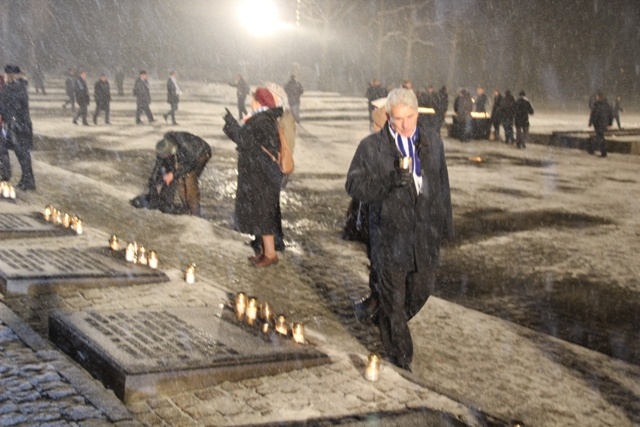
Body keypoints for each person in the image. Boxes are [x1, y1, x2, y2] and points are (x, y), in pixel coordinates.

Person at [346, 88, 453, 371]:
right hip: (389, 234)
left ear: (417, 113)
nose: (405, 124)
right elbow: (353, 185)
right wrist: (388, 182)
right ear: (388, 117)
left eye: (410, 117)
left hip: (424, 235)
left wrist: (445, 226)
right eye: (397, 119)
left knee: (421, 291)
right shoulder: (371, 147)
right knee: (395, 299)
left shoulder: (432, 141)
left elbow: (442, 184)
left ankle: (384, 317)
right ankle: (401, 356)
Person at [223, 87, 284, 267]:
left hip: (262, 174)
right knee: (261, 213)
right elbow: (248, 141)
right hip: (258, 173)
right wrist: (234, 127)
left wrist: (232, 126)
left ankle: (270, 254)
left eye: (254, 99)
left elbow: (247, 141)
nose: (251, 101)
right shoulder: (262, 119)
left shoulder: (263, 120)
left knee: (265, 214)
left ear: (260, 102)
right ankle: (265, 252)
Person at [153, 131, 211, 216]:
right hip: (184, 155)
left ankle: (195, 213)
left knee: (189, 178)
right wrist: (157, 182)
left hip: (200, 153)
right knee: (179, 180)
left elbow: (190, 165)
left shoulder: (185, 145)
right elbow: (159, 165)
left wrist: (173, 174)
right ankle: (186, 208)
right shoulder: (164, 146)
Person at [0, 64, 36, 190]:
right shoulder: (15, 87)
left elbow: (12, 106)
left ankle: (28, 181)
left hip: (18, 125)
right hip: (18, 124)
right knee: (21, 154)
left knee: (23, 154)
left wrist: (5, 114)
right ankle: (26, 179)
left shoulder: (15, 88)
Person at [588, 91, 613, 157]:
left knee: (600, 137)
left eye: (596, 96)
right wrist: (610, 123)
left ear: (598, 97)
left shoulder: (597, 105)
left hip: (598, 123)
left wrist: (590, 122)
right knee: (600, 136)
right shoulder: (606, 105)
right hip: (603, 123)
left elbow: (593, 114)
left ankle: (601, 151)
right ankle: (599, 150)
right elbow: (611, 114)